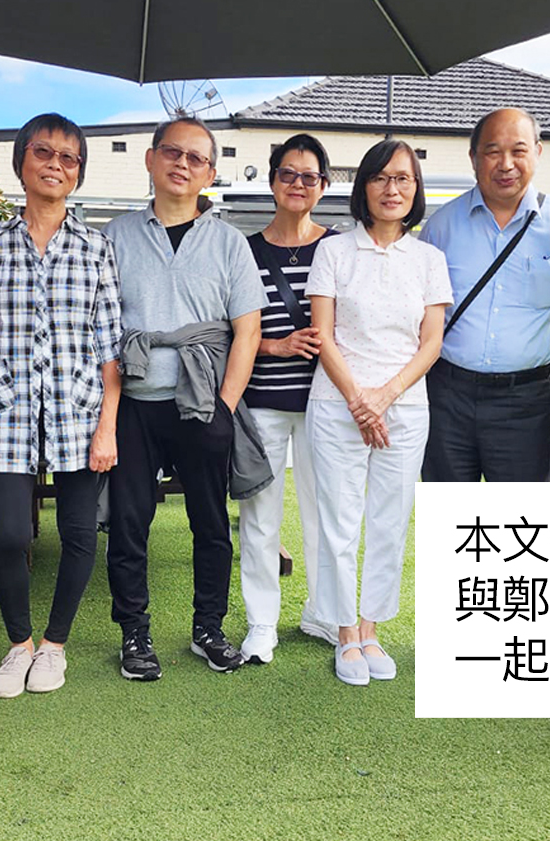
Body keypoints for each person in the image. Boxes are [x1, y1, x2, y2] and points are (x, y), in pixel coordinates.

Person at [0, 114, 121, 698]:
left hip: (79, 409)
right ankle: (19, 645)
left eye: (68, 158)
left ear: (78, 173)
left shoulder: (96, 248)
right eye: (43, 152)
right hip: (5, 409)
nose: (55, 165)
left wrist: (107, 428)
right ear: (22, 161)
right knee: (9, 534)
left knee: (79, 532)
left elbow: (110, 347)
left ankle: (54, 645)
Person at [103, 117, 264, 680]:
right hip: (134, 400)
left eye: (197, 158)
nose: (183, 164)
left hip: (203, 401)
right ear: (150, 159)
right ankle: (134, 632)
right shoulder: (115, 235)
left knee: (210, 523)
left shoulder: (228, 242)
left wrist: (225, 405)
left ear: (210, 174)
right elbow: (102, 329)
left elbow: (248, 330)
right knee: (128, 523)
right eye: (172, 152)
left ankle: (209, 628)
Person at [307, 139, 452, 686]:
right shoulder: (334, 251)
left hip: (406, 407)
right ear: (364, 186)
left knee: (389, 521)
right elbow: (323, 335)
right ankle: (345, 632)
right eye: (381, 178)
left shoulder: (428, 259)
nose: (393, 189)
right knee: (339, 520)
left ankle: (370, 629)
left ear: (416, 190)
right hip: (336, 403)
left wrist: (384, 397)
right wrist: (358, 400)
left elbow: (431, 342)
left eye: (403, 179)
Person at [420, 108, 550, 482]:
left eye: (518, 151)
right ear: (473, 157)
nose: (506, 164)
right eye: (493, 151)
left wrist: (530, 347)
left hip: (525, 400)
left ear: (537, 152)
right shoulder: (442, 226)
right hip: (448, 395)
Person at [236, 134, 340, 664]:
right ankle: (261, 623)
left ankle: (324, 612)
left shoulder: (339, 248)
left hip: (327, 405)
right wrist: (276, 345)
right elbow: (228, 329)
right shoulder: (244, 250)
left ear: (324, 186)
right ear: (273, 180)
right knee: (260, 516)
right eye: (288, 174)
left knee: (328, 511)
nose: (298, 184)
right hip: (262, 400)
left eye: (309, 176)